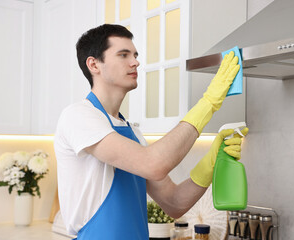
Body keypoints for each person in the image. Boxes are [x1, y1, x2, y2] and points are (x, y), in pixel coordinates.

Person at [54, 24, 248, 240]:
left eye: (135, 55)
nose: (135, 61)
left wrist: (211, 161)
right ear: (94, 64)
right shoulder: (78, 116)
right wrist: (209, 102)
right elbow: (153, 164)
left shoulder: (133, 133)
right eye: (123, 54)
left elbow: (175, 203)